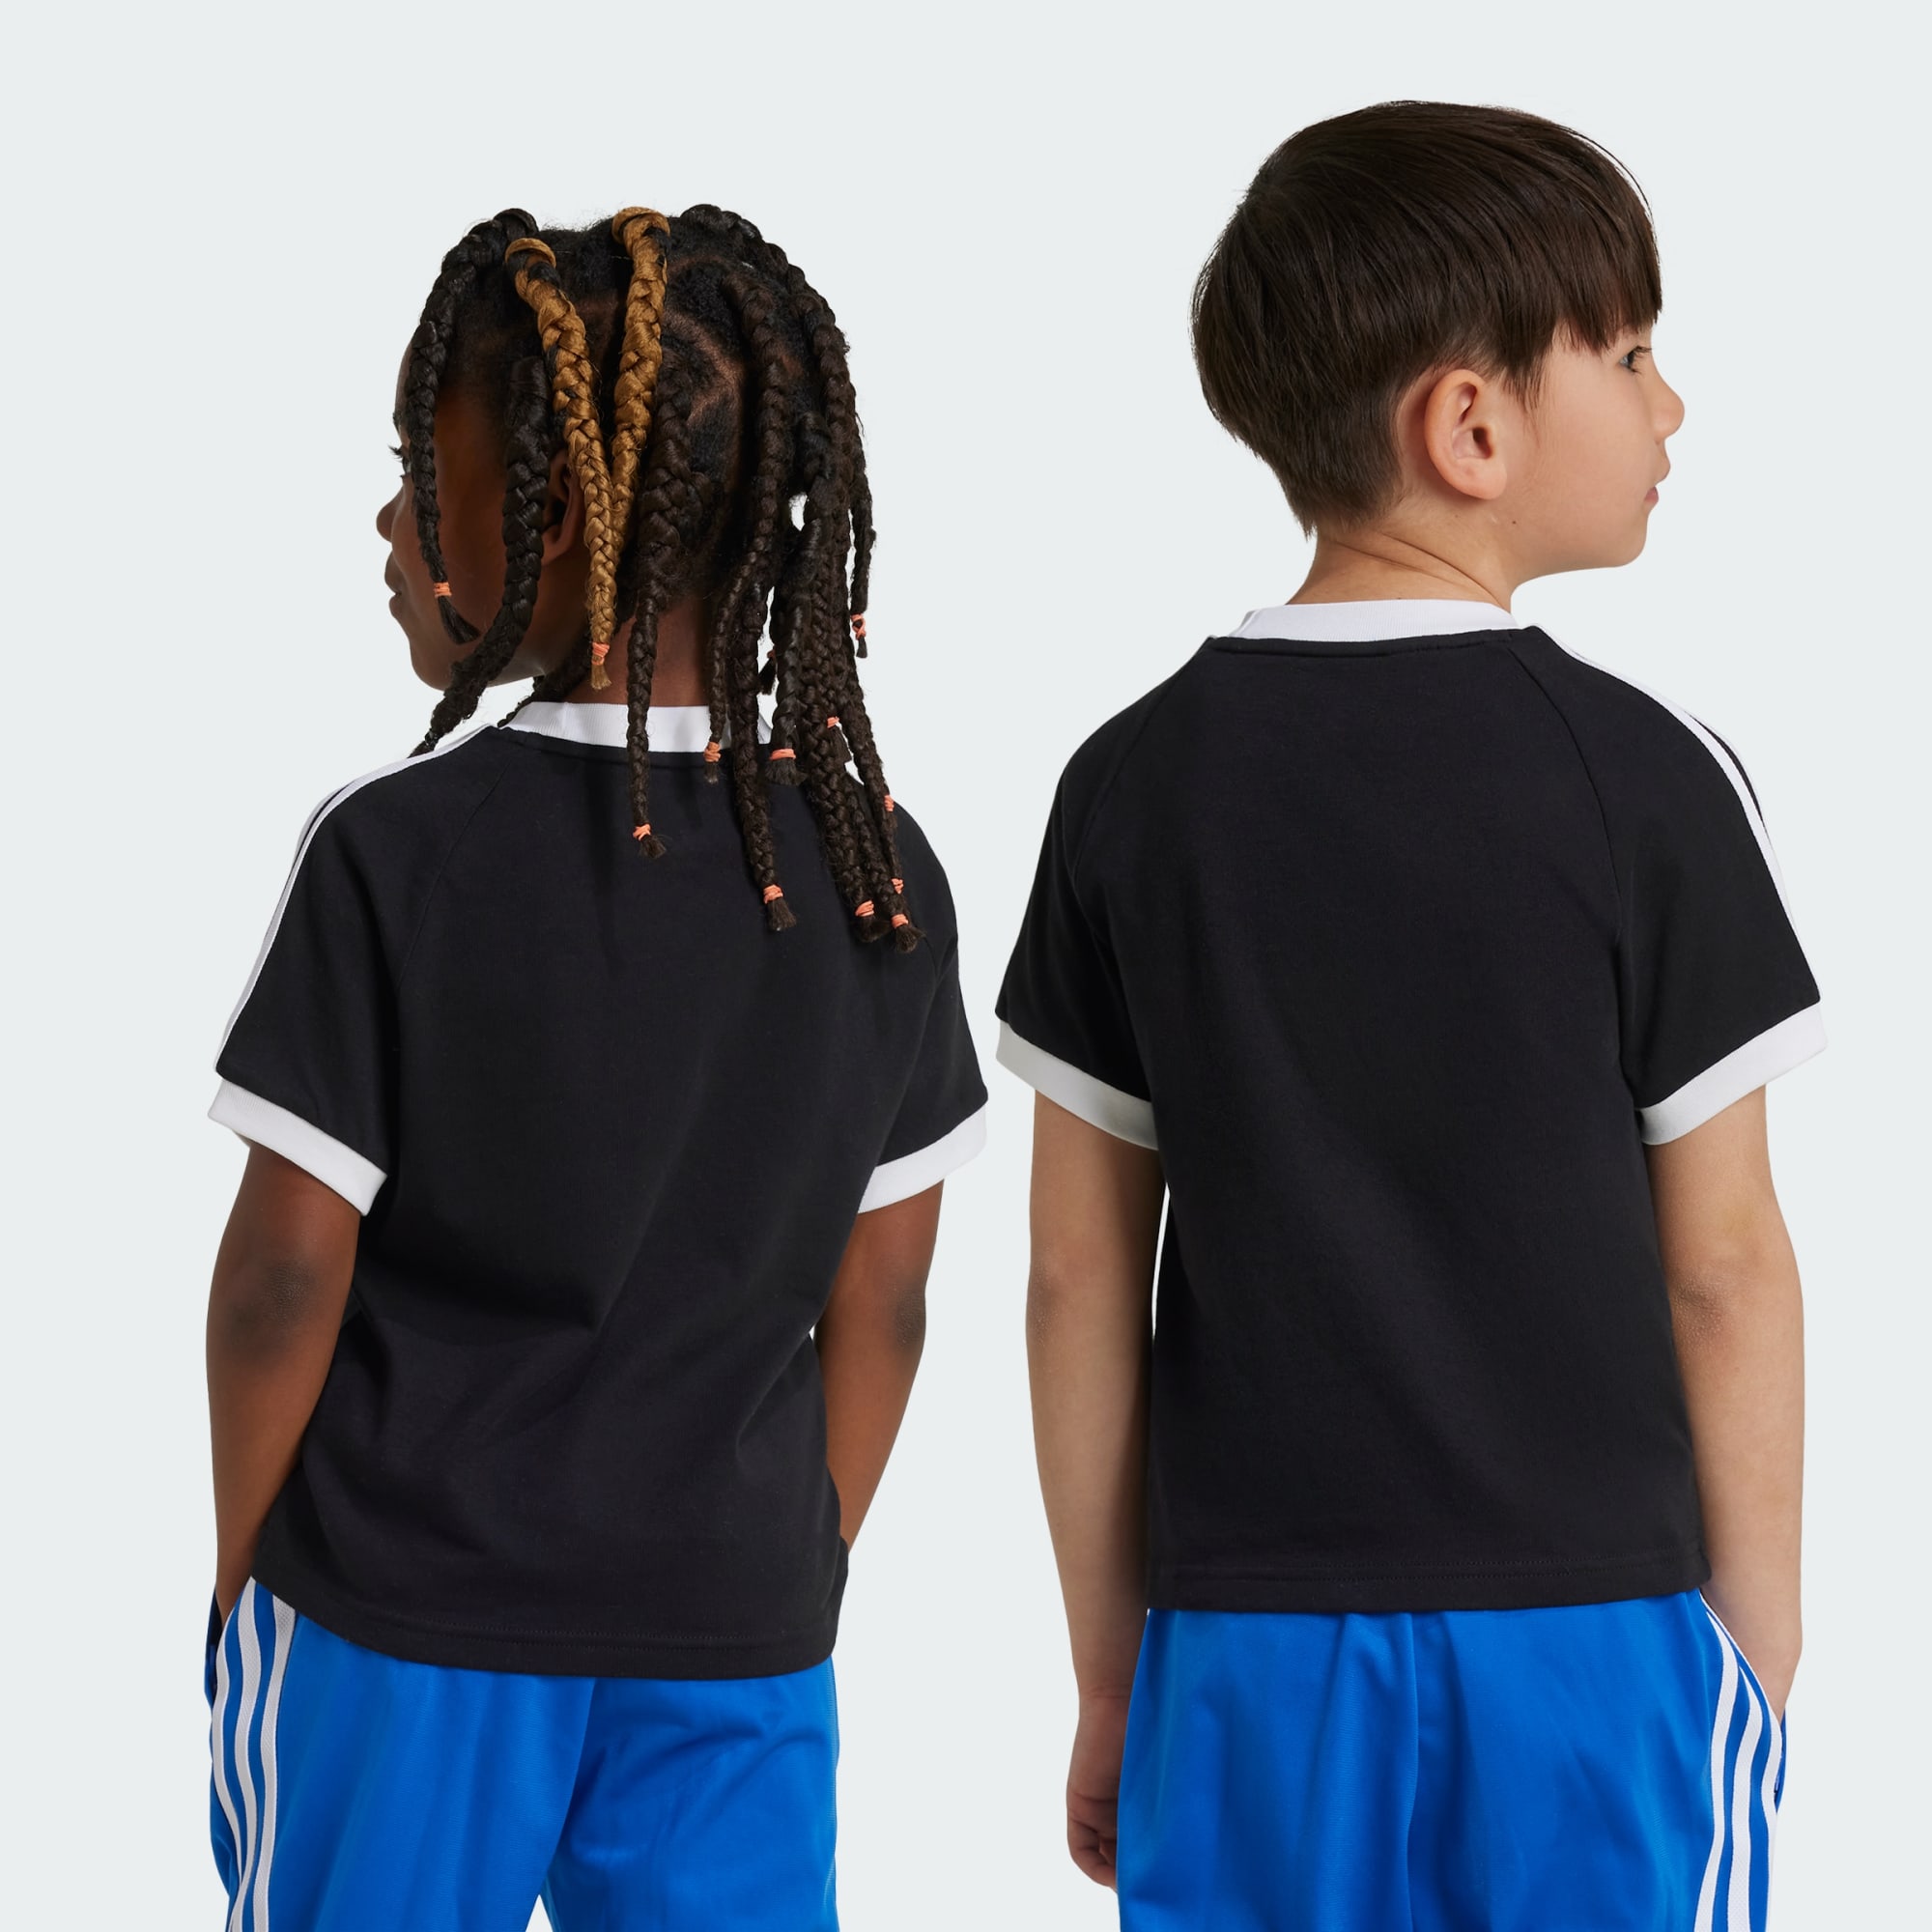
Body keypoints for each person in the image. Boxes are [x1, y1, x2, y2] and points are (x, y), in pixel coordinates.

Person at [998, 103, 1819, 1932]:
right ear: (1471, 428)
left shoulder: (1130, 786)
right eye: (1631, 354)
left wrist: (1116, 1676)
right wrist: (1755, 1651)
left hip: (1246, 1648)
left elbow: (1076, 1282)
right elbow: (1726, 1268)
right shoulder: (1648, 784)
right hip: (1594, 1642)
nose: (1672, 404)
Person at [203, 205, 986, 1932]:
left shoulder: (403, 853)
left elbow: (280, 1279)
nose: (394, 522)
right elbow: (887, 1295)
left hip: (404, 1619)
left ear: (562, 519)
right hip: (733, 1633)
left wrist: (246, 1568)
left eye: (425, 476)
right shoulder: (875, 871)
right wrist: (793, 1561)